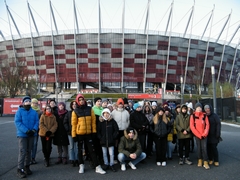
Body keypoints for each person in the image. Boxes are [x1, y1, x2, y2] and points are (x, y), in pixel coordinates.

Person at [71, 94, 106, 174]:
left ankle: (97, 166)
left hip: (89, 134)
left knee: (92, 150)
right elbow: (74, 124)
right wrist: (74, 135)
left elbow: (93, 122)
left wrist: (94, 132)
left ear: (84, 100)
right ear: (77, 101)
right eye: (79, 100)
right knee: (80, 150)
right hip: (79, 133)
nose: (81, 101)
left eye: (82, 99)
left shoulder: (90, 109)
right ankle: (81, 165)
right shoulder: (75, 111)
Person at [14, 96, 39, 178]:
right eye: (26, 101)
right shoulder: (19, 112)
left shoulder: (34, 112)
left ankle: (26, 167)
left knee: (29, 151)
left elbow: (37, 122)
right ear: (23, 103)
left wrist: (34, 130)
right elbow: (18, 122)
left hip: (32, 134)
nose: (28, 102)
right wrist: (26, 130)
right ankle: (20, 169)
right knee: (22, 151)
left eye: (29, 101)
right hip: (22, 135)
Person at [190, 102, 210, 170]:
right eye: (197, 107)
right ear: (195, 108)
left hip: (204, 135)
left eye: (200, 107)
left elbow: (207, 125)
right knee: (199, 148)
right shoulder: (192, 116)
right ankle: (199, 160)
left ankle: (205, 161)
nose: (199, 109)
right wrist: (198, 135)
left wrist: (204, 134)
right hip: (197, 135)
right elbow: (192, 127)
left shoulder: (204, 116)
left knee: (204, 148)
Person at [63, 101, 79, 167]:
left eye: (75, 104)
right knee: (72, 146)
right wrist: (68, 130)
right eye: (73, 104)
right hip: (70, 132)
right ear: (71, 105)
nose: (74, 105)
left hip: (78, 132)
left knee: (77, 146)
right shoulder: (68, 113)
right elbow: (65, 122)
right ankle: (72, 159)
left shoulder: (79, 112)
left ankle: (77, 159)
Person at [30, 98, 42, 165]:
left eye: (36, 103)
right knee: (28, 145)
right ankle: (28, 158)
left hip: (36, 130)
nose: (35, 104)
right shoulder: (29, 110)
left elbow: (40, 121)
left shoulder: (39, 112)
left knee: (34, 144)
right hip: (28, 130)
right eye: (33, 103)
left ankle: (33, 158)